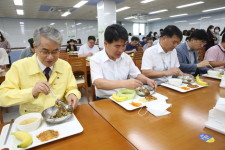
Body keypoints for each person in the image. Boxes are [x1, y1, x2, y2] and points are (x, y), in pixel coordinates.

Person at [0, 26, 81, 115]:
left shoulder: (65, 66)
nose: (50, 57)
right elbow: (2, 97)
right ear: (35, 47)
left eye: (55, 51)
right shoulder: (19, 67)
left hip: (60, 115)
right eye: (45, 51)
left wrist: (72, 94)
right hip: (33, 119)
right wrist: (32, 92)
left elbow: (72, 88)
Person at [90, 24, 157, 100]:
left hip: (126, 96)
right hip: (105, 99)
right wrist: (125, 83)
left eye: (124, 45)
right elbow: (99, 83)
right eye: (117, 46)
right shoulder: (96, 59)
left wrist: (147, 80)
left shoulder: (126, 57)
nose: (121, 50)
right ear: (106, 44)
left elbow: (136, 74)